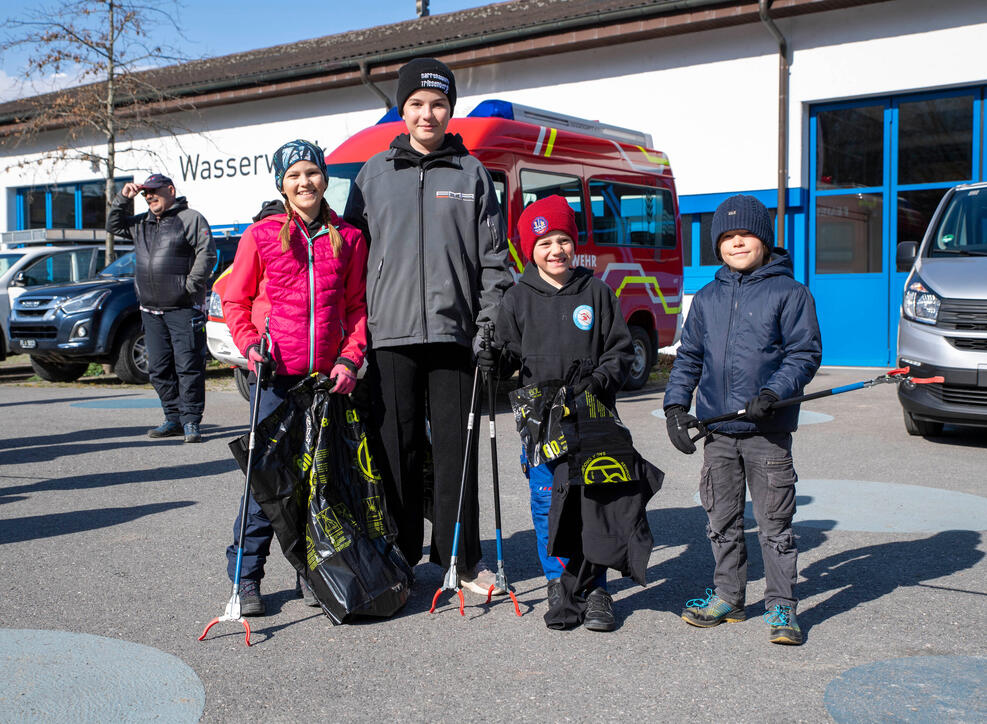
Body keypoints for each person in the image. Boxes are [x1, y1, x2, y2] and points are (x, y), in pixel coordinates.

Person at [344, 57, 513, 594]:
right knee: (396, 448)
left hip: (454, 335)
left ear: (450, 110)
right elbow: (349, 260)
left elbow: (494, 261)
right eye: (416, 103)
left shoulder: (472, 174)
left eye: (438, 104)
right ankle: (397, 555)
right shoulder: (372, 174)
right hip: (388, 335)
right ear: (402, 108)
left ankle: (460, 558)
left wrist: (487, 328)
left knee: (454, 453)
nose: (427, 113)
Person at [662, 194, 822, 645]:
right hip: (717, 433)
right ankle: (729, 596)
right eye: (728, 237)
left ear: (764, 239)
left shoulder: (789, 293)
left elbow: (804, 353)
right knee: (721, 520)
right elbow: (689, 357)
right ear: (717, 244)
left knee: (774, 526)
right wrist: (676, 407)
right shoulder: (708, 297)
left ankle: (782, 608)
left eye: (745, 234)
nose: (736, 243)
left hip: (766, 435)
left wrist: (774, 393)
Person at [221, 139, 369, 615]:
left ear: (325, 178)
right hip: (273, 379)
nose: (304, 182)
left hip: (324, 381)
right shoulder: (261, 235)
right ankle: (246, 578)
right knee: (267, 484)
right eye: (294, 176)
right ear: (281, 184)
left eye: (312, 173)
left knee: (317, 482)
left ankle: (312, 568)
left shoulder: (348, 238)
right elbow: (234, 300)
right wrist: (248, 344)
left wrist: (349, 359)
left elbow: (357, 307)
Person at [485, 195, 635, 631]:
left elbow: (620, 352)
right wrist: (491, 360)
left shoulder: (597, 291)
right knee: (547, 500)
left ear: (575, 244)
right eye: (545, 242)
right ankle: (558, 582)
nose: (556, 251)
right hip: (541, 422)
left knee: (594, 501)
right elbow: (508, 359)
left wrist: (600, 380)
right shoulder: (517, 299)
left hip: (591, 417)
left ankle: (596, 588)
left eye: (563, 240)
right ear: (530, 250)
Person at [107, 174, 216, 443]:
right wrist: (123, 198)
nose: (149, 197)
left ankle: (191, 421)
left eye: (154, 191)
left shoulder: (190, 218)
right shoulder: (141, 223)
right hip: (150, 309)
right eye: (145, 193)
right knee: (158, 367)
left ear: (170, 190)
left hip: (183, 308)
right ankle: (173, 418)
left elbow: (207, 252)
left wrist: (190, 285)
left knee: (188, 366)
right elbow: (113, 225)